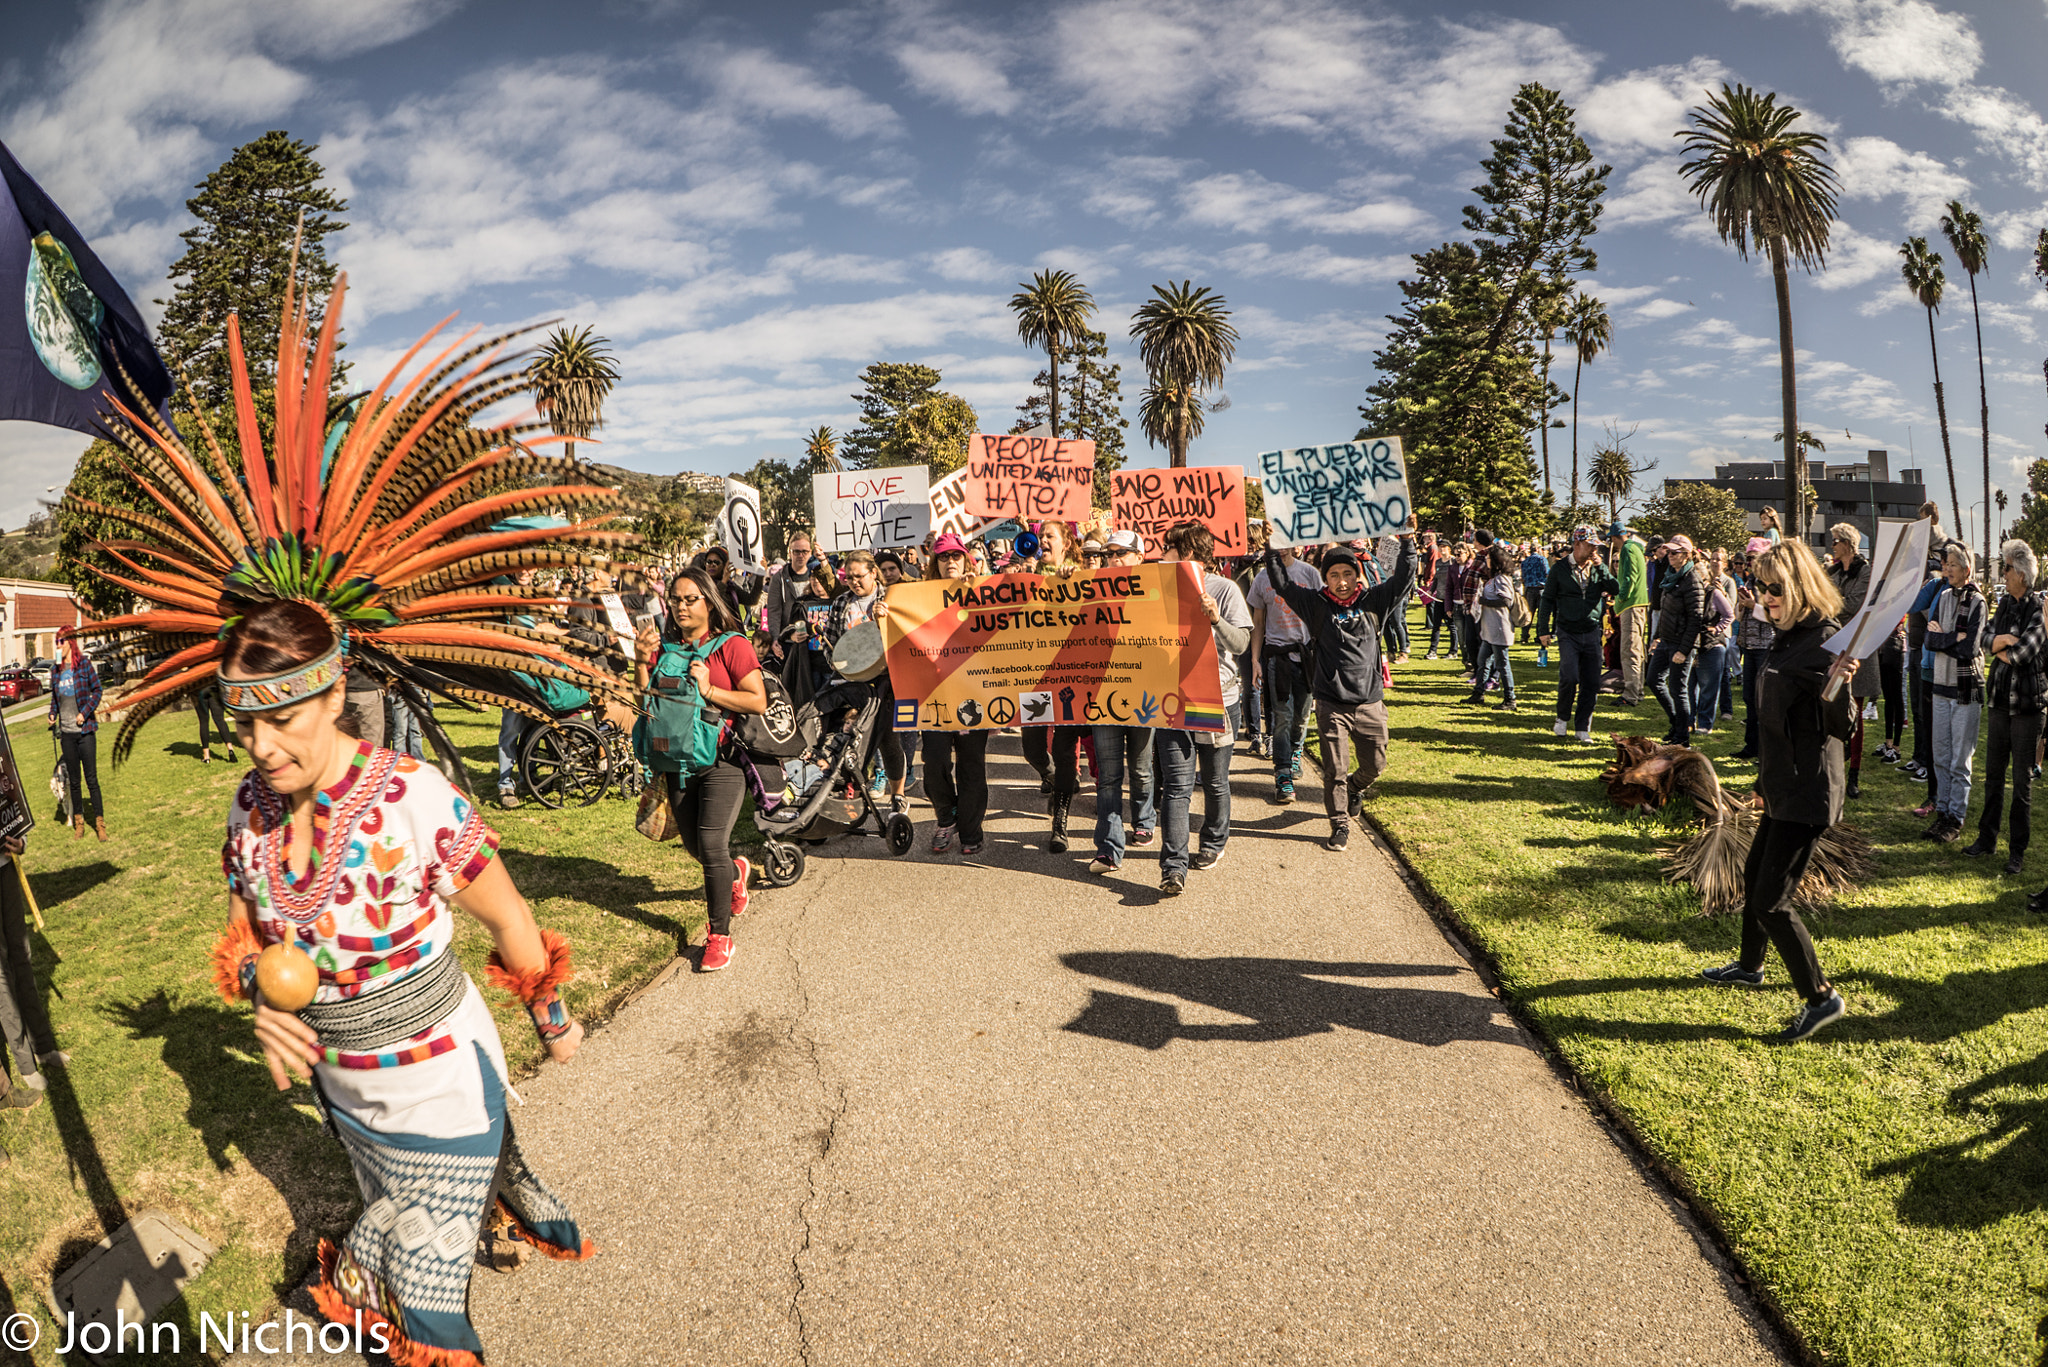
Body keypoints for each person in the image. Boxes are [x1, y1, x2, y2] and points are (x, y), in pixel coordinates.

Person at [214, 598, 594, 1363]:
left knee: (427, 1303)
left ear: (331, 696)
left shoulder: (414, 797)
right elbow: (246, 938)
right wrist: (262, 993)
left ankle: (396, 1274)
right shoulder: (247, 810)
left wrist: (551, 1019)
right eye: (244, 723)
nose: (260, 745)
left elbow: (511, 919)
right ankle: (377, 1263)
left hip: (441, 1082)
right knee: (388, 1210)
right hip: (348, 1095)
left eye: (282, 717)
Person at [1700, 539, 1853, 1043]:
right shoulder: (1785, 636)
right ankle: (1750, 966)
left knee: (1771, 900)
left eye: (1774, 588)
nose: (1764, 597)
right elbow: (1774, 718)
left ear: (1802, 587)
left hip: (1807, 793)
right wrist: (1764, 782)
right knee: (1752, 874)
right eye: (1760, 586)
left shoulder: (1827, 641)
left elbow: (1843, 726)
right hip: (1781, 786)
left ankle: (1821, 997)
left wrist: (1841, 684)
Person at [635, 566, 770, 971]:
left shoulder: (733, 646)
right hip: (676, 760)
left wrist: (710, 689)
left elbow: (757, 700)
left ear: (709, 601)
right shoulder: (666, 647)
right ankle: (737, 871)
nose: (680, 607)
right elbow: (648, 699)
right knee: (695, 847)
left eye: (689, 599)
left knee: (710, 845)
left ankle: (719, 936)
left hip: (722, 760)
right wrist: (642, 661)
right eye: (674, 599)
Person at [1260, 519, 1417, 851]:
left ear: (1356, 575)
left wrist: (1408, 540)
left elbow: (1404, 577)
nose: (1342, 582)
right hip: (1332, 703)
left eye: (1347, 574)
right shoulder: (1315, 604)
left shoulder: (1375, 601)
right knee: (1335, 768)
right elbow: (1281, 583)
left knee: (1375, 764)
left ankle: (1356, 788)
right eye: (1334, 575)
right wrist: (1271, 545)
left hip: (1370, 702)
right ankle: (1339, 823)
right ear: (1325, 578)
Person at [1154, 522, 1253, 891]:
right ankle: (1173, 868)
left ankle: (1213, 842)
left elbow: (1241, 644)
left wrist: (1215, 619)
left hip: (1218, 703)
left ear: (1188, 553)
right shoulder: (1158, 588)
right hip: (1172, 702)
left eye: (1168, 547)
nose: (1162, 554)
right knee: (1177, 787)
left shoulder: (1224, 590)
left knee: (1214, 781)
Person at [1966, 539, 2046, 873]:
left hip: (2028, 711)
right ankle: (1987, 839)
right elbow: (1981, 638)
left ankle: (2017, 851)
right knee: (1993, 777)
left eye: (2008, 567)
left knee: (2021, 784)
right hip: (1999, 704)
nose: (2004, 571)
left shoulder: (2038, 612)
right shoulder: (2005, 606)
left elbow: (2021, 655)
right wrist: (2001, 642)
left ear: (2023, 574)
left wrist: (2001, 646)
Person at [1088, 531, 1160, 874]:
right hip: (1103, 697)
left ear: (1139, 558)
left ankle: (1144, 817)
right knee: (1109, 776)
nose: (1113, 559)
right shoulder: (1091, 589)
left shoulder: (1156, 591)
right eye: (1109, 554)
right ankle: (1108, 847)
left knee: (1142, 770)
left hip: (1144, 696)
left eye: (1122, 553)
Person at [919, 535, 990, 856]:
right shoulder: (917, 597)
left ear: (966, 561)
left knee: (971, 765)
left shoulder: (983, 591)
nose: (951, 563)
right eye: (944, 558)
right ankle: (947, 818)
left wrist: (977, 592)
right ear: (935, 563)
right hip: (933, 696)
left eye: (956, 557)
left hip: (974, 693)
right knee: (933, 763)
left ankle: (971, 830)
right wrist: (884, 614)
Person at [1247, 531, 1325, 804]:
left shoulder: (1310, 574)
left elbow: (1320, 618)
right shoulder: (1262, 578)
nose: (1281, 549)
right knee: (1281, 717)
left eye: (1285, 543)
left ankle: (1295, 752)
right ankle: (1282, 776)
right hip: (1276, 660)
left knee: (1301, 717)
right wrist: (1255, 661)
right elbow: (1258, 623)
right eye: (1275, 543)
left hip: (1305, 659)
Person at [1919, 544, 1986, 842]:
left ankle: (1956, 818)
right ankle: (1943, 811)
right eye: (1945, 565)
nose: (1946, 570)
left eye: (1952, 565)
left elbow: (1969, 648)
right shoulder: (1944, 596)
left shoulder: (1977, 602)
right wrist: (1950, 637)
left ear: (1966, 568)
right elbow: (1928, 640)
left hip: (1965, 688)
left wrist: (1942, 637)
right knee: (1941, 755)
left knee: (1960, 758)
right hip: (1941, 687)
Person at [0, 832, 63, 1133]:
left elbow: (12, 801)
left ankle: (44, 1047)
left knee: (21, 957)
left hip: (6, 866)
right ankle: (26, 1064)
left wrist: (22, 843)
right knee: (0, 976)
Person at [1536, 525, 1619, 742]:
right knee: (1569, 676)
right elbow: (1547, 600)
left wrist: (1602, 568)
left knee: (1591, 681)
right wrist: (1543, 630)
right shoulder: (1559, 568)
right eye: (1590, 545)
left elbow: (1615, 588)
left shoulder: (1598, 567)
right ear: (1577, 544)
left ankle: (1583, 726)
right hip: (1567, 630)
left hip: (1592, 630)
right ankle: (1562, 718)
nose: (1594, 550)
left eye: (1596, 546)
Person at [1824, 525, 1876, 796]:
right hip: (1833, 647)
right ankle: (1835, 766)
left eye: (1835, 541)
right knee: (1831, 706)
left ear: (1848, 544)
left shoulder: (1866, 572)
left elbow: (1854, 604)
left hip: (1857, 646)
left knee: (1854, 710)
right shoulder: (1832, 572)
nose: (1832, 545)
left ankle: (1853, 775)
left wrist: (1831, 602)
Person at [1648, 534, 1707, 746]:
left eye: (1675, 552)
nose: (1670, 555)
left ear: (1687, 555)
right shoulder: (1670, 576)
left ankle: (1682, 738)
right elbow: (1664, 611)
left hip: (1681, 644)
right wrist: (1656, 637)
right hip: (1666, 640)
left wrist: (1684, 650)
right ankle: (1677, 723)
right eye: (1669, 552)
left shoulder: (1692, 579)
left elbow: (1696, 619)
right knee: (1653, 679)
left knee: (1678, 689)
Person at [47, 631, 106, 841]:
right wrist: (52, 714)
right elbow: (55, 699)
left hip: (85, 731)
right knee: (74, 781)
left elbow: (97, 691)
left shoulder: (83, 665)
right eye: (56, 642)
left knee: (92, 779)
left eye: (60, 642)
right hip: (67, 734)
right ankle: (79, 823)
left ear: (70, 643)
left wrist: (85, 712)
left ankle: (100, 824)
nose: (57, 645)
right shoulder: (56, 671)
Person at [1731, 538, 1778, 761]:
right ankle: (1751, 746)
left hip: (1764, 647)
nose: (1749, 562)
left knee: (1763, 701)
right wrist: (1741, 604)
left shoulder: (1771, 583)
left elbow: (1775, 616)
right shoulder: (1750, 582)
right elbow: (1738, 615)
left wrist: (1753, 605)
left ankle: (1765, 750)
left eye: (1753, 557)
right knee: (1749, 698)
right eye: (1748, 558)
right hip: (1748, 646)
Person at [1466, 543, 1519, 711]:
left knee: (1503, 665)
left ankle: (1510, 699)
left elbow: (1506, 601)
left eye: (1488, 558)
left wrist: (1483, 601)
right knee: (1482, 662)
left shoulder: (1502, 578)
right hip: (1490, 629)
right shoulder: (1493, 578)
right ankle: (1478, 693)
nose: (1486, 560)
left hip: (1499, 628)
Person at [1690, 555, 1735, 738]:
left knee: (1708, 687)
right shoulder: (1691, 594)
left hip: (1712, 644)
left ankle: (1705, 723)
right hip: (1693, 644)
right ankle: (1689, 721)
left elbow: (1729, 614)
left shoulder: (1714, 593)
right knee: (1689, 686)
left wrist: (1717, 629)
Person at [1610, 523, 1650, 706]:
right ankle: (1637, 690)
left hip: (1631, 605)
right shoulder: (1636, 548)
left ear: (1614, 537)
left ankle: (1631, 694)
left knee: (1629, 650)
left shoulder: (1627, 549)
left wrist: (1620, 597)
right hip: (1639, 604)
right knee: (1637, 650)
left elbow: (1629, 578)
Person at [764, 531, 818, 659]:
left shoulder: (816, 576)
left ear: (810, 552)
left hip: (813, 641)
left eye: (804, 551)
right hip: (788, 641)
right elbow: (774, 611)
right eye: (796, 551)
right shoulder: (779, 578)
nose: (801, 555)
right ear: (790, 553)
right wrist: (775, 638)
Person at [196, 681, 237, 765]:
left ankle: (206, 757)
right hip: (213, 688)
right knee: (220, 720)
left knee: (203, 722)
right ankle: (230, 749)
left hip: (198, 691)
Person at [1519, 541, 1549, 646]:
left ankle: (1524, 635)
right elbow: (1547, 573)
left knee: (1528, 614)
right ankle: (1539, 636)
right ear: (1538, 549)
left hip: (1529, 589)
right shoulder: (1542, 560)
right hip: (1540, 588)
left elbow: (1522, 576)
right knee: (1541, 614)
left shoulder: (1525, 561)